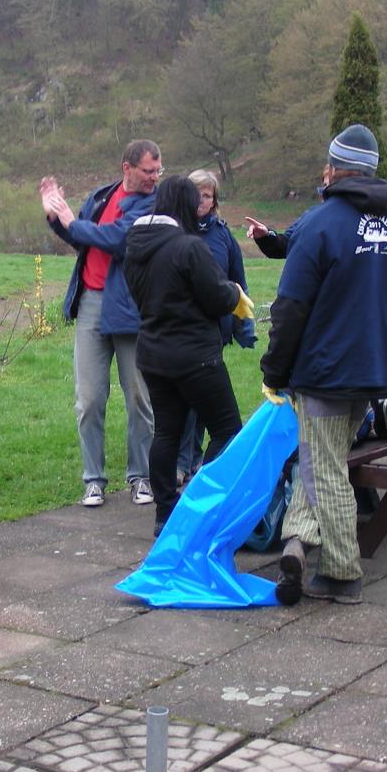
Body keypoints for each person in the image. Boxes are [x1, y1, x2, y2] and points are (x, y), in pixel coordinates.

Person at [261, 124, 387, 607]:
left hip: (326, 371)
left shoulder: (319, 224)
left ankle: (342, 571)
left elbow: (290, 308)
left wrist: (274, 369)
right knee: (322, 458)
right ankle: (296, 541)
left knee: (324, 468)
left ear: (333, 169)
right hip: (376, 371)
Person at [122, 176, 253, 536]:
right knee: (228, 431)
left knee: (167, 433)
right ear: (184, 205)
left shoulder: (135, 245)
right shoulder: (189, 247)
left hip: (154, 355)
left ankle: (165, 513)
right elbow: (218, 297)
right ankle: (200, 504)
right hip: (196, 356)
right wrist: (234, 293)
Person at [39, 140, 159, 508]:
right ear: (127, 168)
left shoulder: (152, 205)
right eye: (148, 171)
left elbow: (115, 239)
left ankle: (141, 476)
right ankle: (93, 479)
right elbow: (80, 237)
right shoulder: (102, 196)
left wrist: (72, 221)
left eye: (158, 170)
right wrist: (55, 215)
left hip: (130, 307)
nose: (154, 177)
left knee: (138, 397)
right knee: (89, 399)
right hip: (91, 302)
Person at [175, 170, 257, 483]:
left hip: (214, 332)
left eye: (207, 195)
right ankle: (181, 462)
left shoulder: (223, 236)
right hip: (183, 331)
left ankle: (195, 461)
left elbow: (238, 283)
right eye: (196, 193)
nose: (201, 200)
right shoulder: (176, 232)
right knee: (185, 402)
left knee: (202, 404)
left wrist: (243, 327)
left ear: (214, 201)